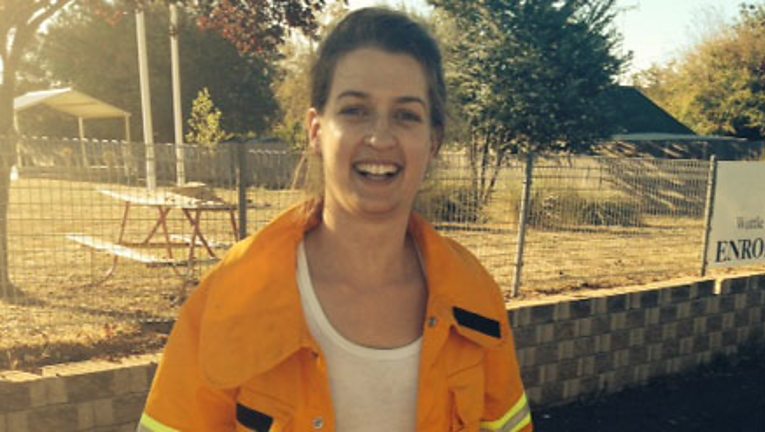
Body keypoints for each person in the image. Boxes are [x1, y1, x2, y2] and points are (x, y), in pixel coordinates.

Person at [138, 7, 532, 432]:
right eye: (355, 110)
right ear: (316, 130)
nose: (380, 137)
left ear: (433, 141)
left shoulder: (474, 295)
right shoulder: (231, 295)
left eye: (406, 115)